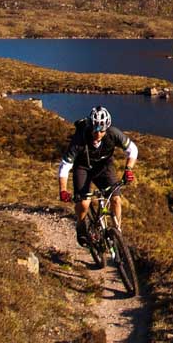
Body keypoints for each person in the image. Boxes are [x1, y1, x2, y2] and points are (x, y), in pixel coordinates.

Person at [57, 105, 137, 246]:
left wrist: (128, 169)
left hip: (104, 167)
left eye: (102, 130)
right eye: (95, 130)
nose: (98, 134)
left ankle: (117, 232)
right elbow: (65, 166)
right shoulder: (79, 139)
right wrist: (63, 190)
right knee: (84, 203)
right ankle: (81, 226)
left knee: (116, 199)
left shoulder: (113, 134)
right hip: (83, 168)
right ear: (90, 126)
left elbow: (133, 150)